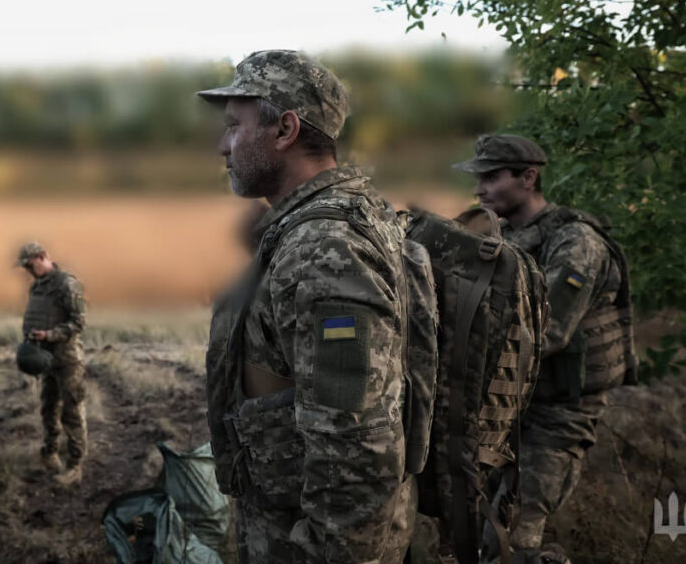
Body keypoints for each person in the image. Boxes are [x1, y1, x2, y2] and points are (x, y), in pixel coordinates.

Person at [199, 50, 417, 563]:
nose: (221, 146)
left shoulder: (325, 251)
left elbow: (357, 452)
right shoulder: (327, 224)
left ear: (285, 130)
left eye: (233, 126)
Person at [454, 134, 636, 564]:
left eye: (490, 178)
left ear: (529, 177)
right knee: (485, 533)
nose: (479, 189)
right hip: (512, 408)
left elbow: (545, 333)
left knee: (512, 539)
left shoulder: (576, 242)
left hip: (557, 414)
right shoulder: (512, 238)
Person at [16, 241, 87, 486]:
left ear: (42, 256)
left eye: (29, 264)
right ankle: (50, 453)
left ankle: (75, 465)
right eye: (24, 267)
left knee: (72, 411)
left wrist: (50, 335)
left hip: (67, 359)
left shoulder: (67, 284)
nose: (27, 270)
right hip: (45, 358)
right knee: (48, 408)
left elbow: (78, 323)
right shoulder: (36, 287)